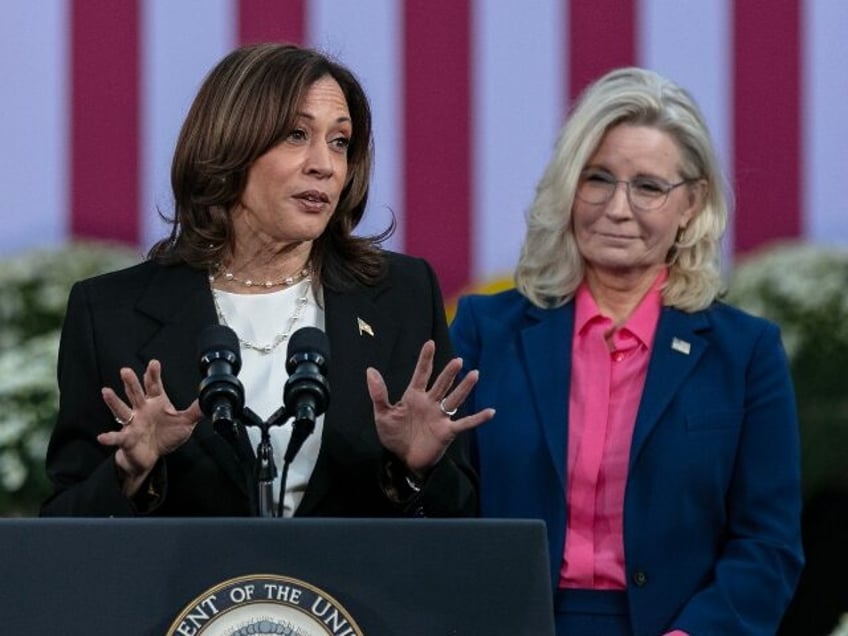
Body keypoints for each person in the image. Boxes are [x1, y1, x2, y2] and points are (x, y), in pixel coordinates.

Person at [41, 43, 493, 518]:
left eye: (340, 142)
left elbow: (458, 521)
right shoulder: (110, 313)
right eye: (297, 135)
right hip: (189, 591)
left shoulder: (402, 294)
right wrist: (129, 470)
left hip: (351, 591)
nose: (325, 164)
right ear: (229, 147)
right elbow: (63, 530)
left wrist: (417, 469)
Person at [450, 67, 803, 635]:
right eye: (598, 179)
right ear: (569, 187)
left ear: (691, 203)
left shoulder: (746, 354)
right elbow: (441, 513)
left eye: (648, 187)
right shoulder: (484, 330)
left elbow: (768, 543)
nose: (617, 208)